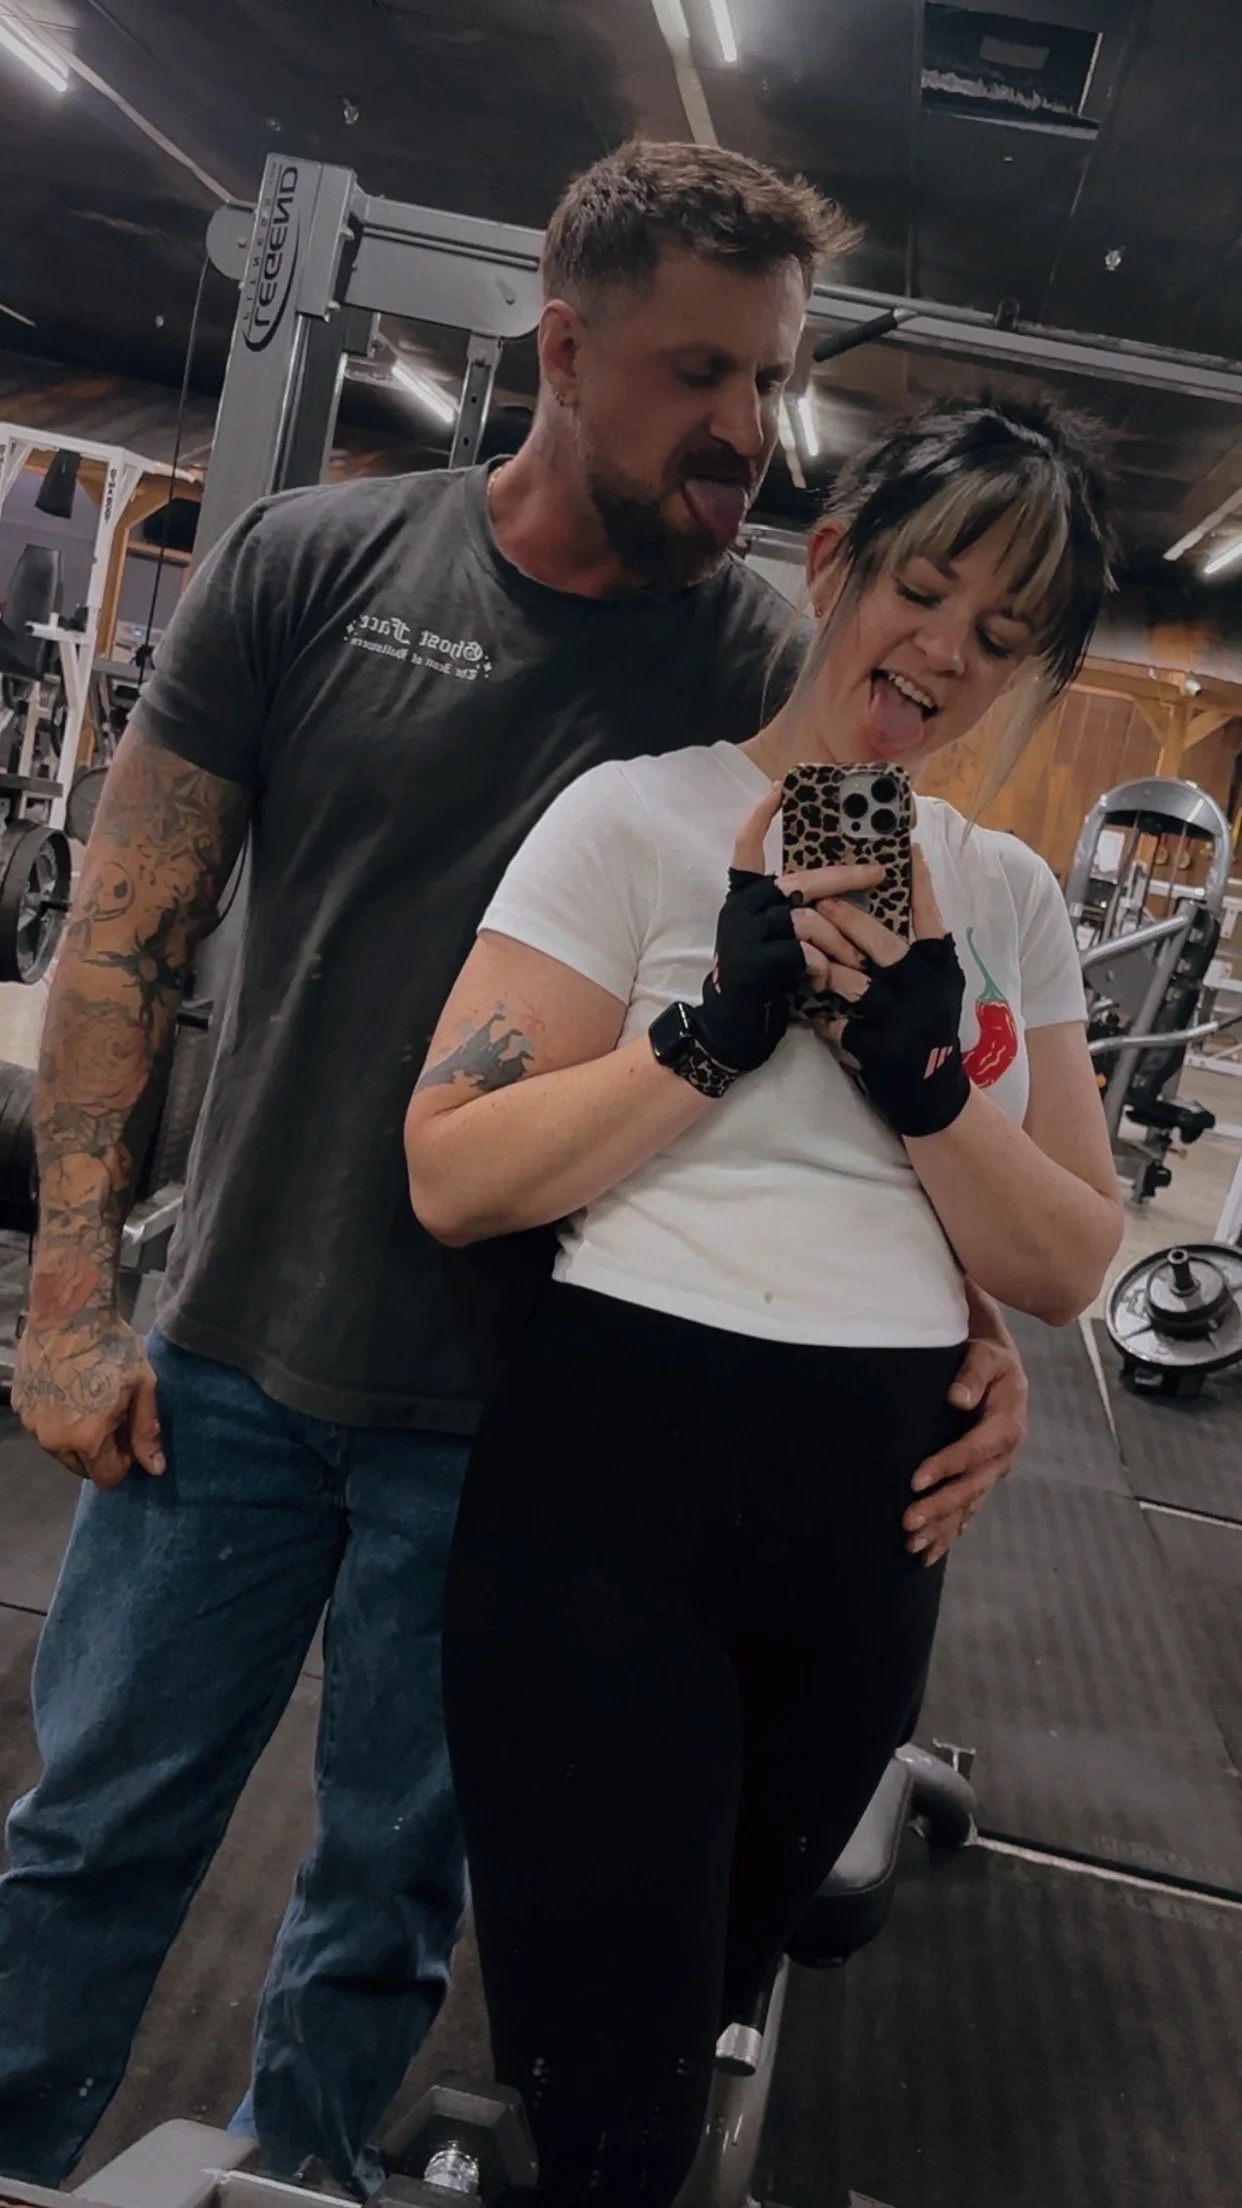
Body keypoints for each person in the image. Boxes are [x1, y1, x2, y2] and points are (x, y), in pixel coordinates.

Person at [0, 145, 1025, 2194]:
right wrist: (68, 1286)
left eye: (773, 382)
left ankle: (301, 2179)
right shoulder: (316, 566)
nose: (747, 428)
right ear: (564, 352)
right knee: (92, 1839)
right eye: (698, 373)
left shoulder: (763, 672)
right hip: (232, 1359)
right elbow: (127, 936)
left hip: (530, 1423)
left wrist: (969, 1316)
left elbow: (867, 1023)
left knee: (386, 1902)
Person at [405, 393, 1125, 2208]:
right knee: (605, 2098)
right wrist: (708, 1036)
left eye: (999, 638)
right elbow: (452, 1171)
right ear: (834, 564)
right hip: (612, 1500)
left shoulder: (1010, 898)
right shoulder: (632, 822)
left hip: (865, 1536)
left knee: (700, 2009)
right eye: (924, 592)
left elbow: (1066, 1260)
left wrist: (925, 1082)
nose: (942, 656)